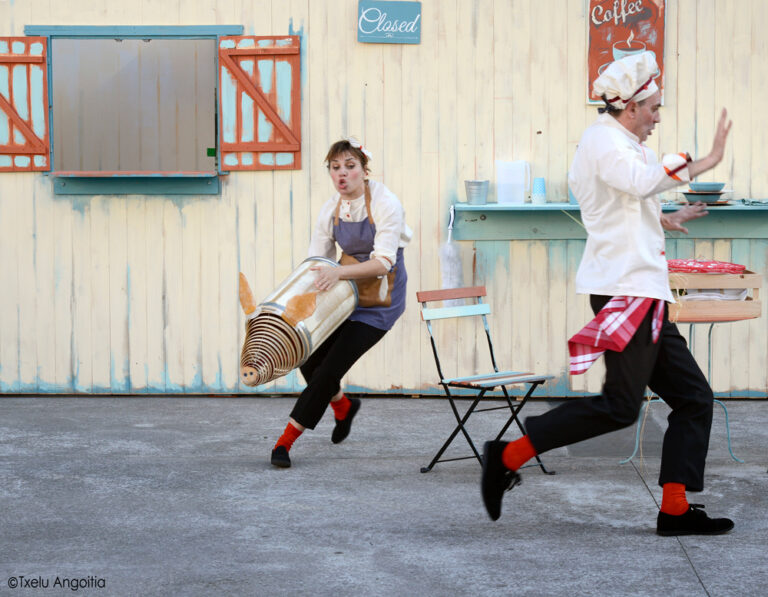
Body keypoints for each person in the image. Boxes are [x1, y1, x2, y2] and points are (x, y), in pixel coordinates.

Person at [481, 52, 735, 536]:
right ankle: (508, 455)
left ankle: (675, 509)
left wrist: (663, 217)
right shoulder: (603, 141)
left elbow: (620, 200)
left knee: (694, 398)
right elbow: (633, 185)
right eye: (654, 108)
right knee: (622, 406)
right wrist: (703, 162)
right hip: (626, 292)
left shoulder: (622, 143)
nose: (658, 117)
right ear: (631, 106)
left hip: (644, 292)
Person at [270, 138, 412, 468]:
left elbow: (383, 263)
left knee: (330, 368)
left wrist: (339, 273)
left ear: (364, 170)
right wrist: (296, 300)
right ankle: (343, 407)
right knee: (307, 356)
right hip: (343, 295)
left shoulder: (386, 203)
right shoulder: (330, 208)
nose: (342, 174)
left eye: (350, 166)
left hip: (379, 301)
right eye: (335, 168)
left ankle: (284, 443)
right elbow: (317, 260)